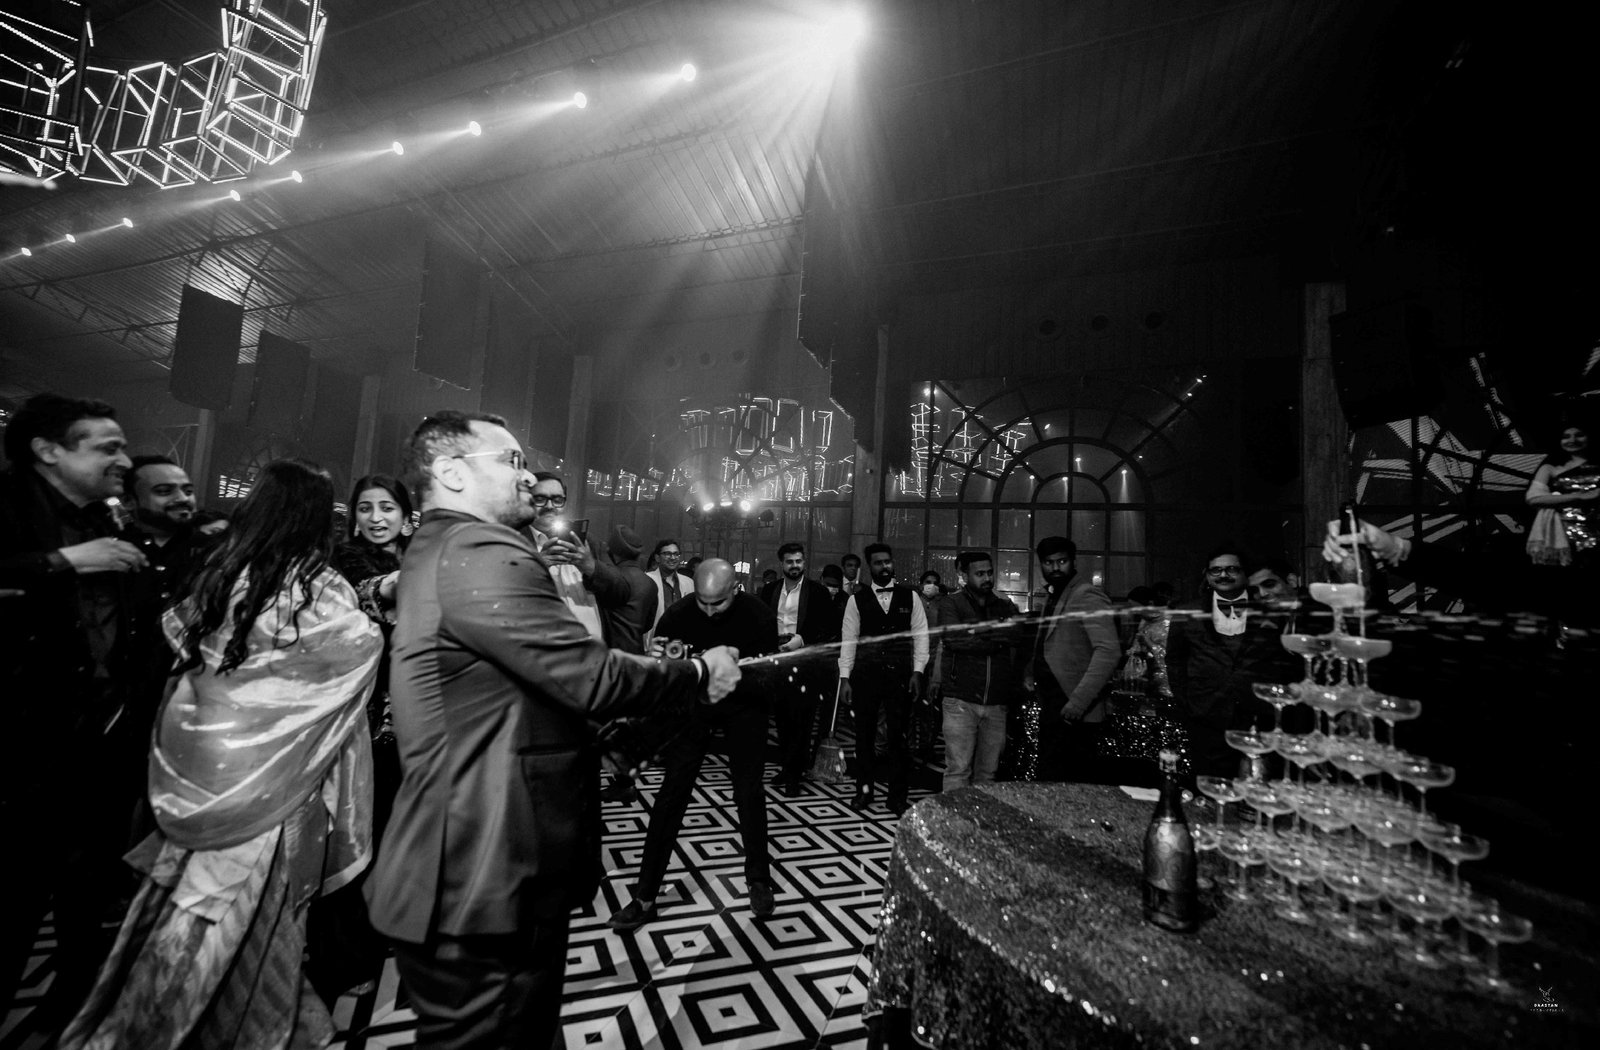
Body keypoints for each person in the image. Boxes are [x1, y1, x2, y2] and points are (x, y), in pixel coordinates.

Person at [366, 411, 739, 1050]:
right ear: (451, 473)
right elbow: (584, 674)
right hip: (482, 870)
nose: (528, 480)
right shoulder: (480, 549)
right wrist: (698, 672)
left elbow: (522, 694)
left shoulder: (436, 547)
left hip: (477, 861)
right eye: (509, 462)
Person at [58, 458, 383, 1050]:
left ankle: (150, 1013)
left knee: (182, 904)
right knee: (248, 908)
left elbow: (188, 646)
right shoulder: (313, 583)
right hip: (272, 775)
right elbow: (349, 654)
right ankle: (232, 1025)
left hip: (203, 761)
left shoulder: (220, 569)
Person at [0, 393, 152, 1028]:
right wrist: (60, 563)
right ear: (48, 451)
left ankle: (76, 1015)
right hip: (20, 748)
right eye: (106, 447)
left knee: (86, 896)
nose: (124, 460)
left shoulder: (106, 520)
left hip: (98, 743)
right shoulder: (7, 508)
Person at [610, 559, 781, 930]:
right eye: (702, 602)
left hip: (744, 709)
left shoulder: (760, 616)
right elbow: (663, 676)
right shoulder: (676, 616)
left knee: (749, 792)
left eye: (717, 603)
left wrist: (734, 673)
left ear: (735, 589)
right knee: (671, 795)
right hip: (694, 710)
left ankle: (759, 879)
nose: (708, 611)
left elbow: (770, 682)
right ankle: (645, 895)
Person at [308, 472, 413, 1001]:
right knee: (354, 838)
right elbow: (368, 595)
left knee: (401, 836)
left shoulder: (419, 552)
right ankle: (346, 956)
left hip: (417, 722)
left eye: (387, 508)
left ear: (405, 514)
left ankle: (388, 932)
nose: (375, 518)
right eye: (366, 508)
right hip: (360, 721)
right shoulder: (341, 562)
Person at [1165, 543, 1298, 778]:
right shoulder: (1186, 613)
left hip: (1262, 718)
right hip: (1206, 717)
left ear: (1245, 574)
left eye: (1232, 569)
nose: (1223, 574)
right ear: (1206, 576)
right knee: (1210, 791)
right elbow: (1175, 661)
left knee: (1261, 790)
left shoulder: (1270, 607)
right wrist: (1188, 702)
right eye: (1215, 570)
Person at [838, 543, 929, 815]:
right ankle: (864, 792)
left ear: (893, 563)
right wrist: (845, 678)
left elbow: (921, 636)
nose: (884, 567)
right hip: (865, 676)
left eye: (887, 561)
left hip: (900, 676)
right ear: (870, 567)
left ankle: (897, 797)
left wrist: (918, 671)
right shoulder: (856, 600)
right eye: (878, 563)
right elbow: (849, 640)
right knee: (863, 738)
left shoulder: (910, 597)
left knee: (898, 740)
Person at [929, 551, 1026, 791]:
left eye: (989, 573)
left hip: (996, 701)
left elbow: (1018, 636)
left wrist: (979, 632)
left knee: (987, 774)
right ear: (964, 575)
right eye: (980, 573)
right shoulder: (952, 603)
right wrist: (997, 636)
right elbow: (955, 640)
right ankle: (955, 826)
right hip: (960, 699)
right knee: (958, 770)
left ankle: (978, 826)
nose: (987, 578)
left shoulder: (1003, 605)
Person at [1030, 536, 1121, 782]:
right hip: (1054, 703)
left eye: (1062, 561)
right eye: (1049, 562)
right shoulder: (1057, 594)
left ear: (1073, 562)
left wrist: (1078, 703)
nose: (1055, 568)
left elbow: (1108, 651)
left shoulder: (1086, 594)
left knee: (1070, 783)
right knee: (1051, 779)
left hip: (1075, 708)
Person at [757, 541, 841, 794]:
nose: (795, 566)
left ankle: (795, 774)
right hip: (778, 659)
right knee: (782, 718)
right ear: (781, 564)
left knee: (802, 718)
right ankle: (787, 766)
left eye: (799, 561)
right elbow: (763, 622)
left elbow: (827, 627)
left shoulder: (817, 591)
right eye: (790, 561)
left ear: (805, 563)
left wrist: (801, 639)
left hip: (805, 660)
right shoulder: (769, 590)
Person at [647, 537, 692, 636]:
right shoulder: (647, 580)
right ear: (657, 558)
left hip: (682, 638)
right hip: (655, 638)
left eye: (676, 554)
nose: (672, 557)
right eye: (667, 554)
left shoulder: (689, 583)